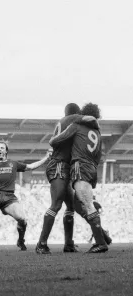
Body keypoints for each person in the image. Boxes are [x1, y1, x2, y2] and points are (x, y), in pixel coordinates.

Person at [36, 103, 99, 254]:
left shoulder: (62, 122)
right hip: (59, 166)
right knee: (56, 204)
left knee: (70, 207)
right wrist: (96, 123)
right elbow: (91, 118)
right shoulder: (75, 119)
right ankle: (41, 244)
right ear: (76, 113)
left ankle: (69, 244)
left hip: (61, 165)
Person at [49, 102, 108, 253]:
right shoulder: (97, 132)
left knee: (87, 204)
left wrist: (54, 142)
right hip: (92, 168)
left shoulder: (77, 126)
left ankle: (101, 243)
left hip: (79, 165)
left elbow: (55, 140)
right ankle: (102, 236)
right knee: (79, 203)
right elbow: (99, 155)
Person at [0, 140, 51, 252]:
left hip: (9, 197)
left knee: (22, 219)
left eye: (2, 148)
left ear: (6, 151)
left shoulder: (13, 164)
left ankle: (21, 240)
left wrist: (46, 158)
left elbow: (30, 167)